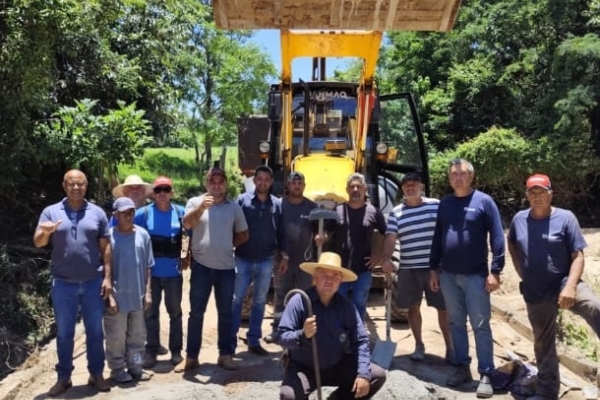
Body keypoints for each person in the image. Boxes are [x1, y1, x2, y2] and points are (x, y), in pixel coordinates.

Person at [508, 174, 600, 400]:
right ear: (527, 195)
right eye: (532, 192)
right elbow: (512, 244)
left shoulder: (566, 218)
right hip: (536, 290)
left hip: (565, 282)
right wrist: (522, 273)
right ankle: (547, 392)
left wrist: (570, 287)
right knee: (543, 342)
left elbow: (578, 257)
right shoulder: (519, 219)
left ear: (551, 194)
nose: (537, 196)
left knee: (595, 307)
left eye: (541, 192)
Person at [429, 158, 505, 398]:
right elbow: (438, 237)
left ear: (471, 176)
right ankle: (462, 367)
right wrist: (433, 269)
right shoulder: (445, 203)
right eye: (454, 174)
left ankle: (486, 373)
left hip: (476, 277)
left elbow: (497, 237)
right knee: (456, 323)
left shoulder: (484, 202)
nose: (458, 178)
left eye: (462, 174)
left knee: (480, 326)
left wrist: (496, 271)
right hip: (448, 276)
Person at [33, 169, 112, 396]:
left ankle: (96, 374)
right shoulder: (50, 212)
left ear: (86, 185)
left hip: (93, 282)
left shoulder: (97, 213)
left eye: (80, 184)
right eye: (71, 184)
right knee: (65, 333)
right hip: (63, 284)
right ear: (64, 186)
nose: (76, 187)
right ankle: (64, 377)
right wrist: (46, 233)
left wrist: (108, 277)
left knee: (95, 332)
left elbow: (106, 247)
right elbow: (38, 242)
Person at [278, 252, 386, 400]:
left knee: (376, 375)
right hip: (304, 368)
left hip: (337, 365)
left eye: (335, 276)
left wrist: (363, 374)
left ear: (341, 280)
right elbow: (282, 336)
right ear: (315, 277)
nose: (329, 280)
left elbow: (361, 341)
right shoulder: (299, 302)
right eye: (324, 275)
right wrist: (302, 335)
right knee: (288, 396)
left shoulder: (347, 307)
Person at [177, 166, 249, 372]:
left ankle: (225, 355)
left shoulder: (234, 208)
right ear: (206, 183)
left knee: (225, 313)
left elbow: (244, 234)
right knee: (196, 313)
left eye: (220, 182)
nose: (216, 186)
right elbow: (187, 224)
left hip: (226, 268)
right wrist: (202, 207)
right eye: (212, 182)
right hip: (201, 267)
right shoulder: (195, 202)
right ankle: (191, 357)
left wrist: (226, 245)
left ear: (225, 184)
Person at [381, 172, 452, 362]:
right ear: (402, 189)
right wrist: (386, 259)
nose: (410, 187)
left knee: (444, 308)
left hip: (435, 269)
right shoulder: (396, 212)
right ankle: (419, 345)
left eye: (414, 184)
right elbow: (390, 237)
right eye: (406, 185)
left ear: (422, 187)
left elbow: (448, 229)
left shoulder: (436, 205)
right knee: (413, 308)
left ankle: (450, 347)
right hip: (409, 268)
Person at [230, 165, 283, 356]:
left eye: (267, 180)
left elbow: (281, 232)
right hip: (242, 258)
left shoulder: (277, 204)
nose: (263, 183)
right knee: (236, 300)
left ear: (271, 182)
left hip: (265, 260)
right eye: (259, 179)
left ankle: (253, 340)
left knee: (259, 302)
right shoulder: (241, 201)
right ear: (254, 181)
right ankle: (230, 341)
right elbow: (231, 225)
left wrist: (283, 255)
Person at [134, 176, 186, 368]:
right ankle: (152, 350)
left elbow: (190, 235)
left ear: (172, 192)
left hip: (174, 274)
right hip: (151, 275)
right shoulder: (143, 214)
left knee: (175, 313)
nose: (162, 193)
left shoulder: (181, 212)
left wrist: (186, 257)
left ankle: (176, 351)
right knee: (150, 314)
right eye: (158, 190)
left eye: (166, 189)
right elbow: (127, 230)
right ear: (153, 194)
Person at [321, 173, 387, 322]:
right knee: (339, 301)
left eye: (359, 186)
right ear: (347, 190)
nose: (355, 190)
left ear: (365, 189)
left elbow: (387, 233)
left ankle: (358, 332)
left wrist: (380, 255)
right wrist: (322, 237)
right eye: (352, 187)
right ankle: (339, 331)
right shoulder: (338, 210)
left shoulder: (373, 212)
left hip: (363, 268)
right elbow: (327, 231)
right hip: (340, 268)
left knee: (359, 302)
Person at [104, 197, 154, 383]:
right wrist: (109, 297)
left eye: (131, 212)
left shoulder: (143, 235)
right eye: (124, 212)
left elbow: (148, 266)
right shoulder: (108, 237)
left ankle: (136, 367)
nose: (128, 215)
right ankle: (117, 369)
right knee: (116, 338)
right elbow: (105, 271)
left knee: (138, 337)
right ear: (115, 215)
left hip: (138, 296)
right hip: (117, 297)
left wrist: (148, 292)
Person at [264, 171, 317, 344]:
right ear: (288, 185)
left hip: (305, 262)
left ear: (304, 186)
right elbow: (272, 231)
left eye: (300, 183)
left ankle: (304, 331)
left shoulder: (312, 207)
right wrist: (280, 255)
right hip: (282, 260)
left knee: (306, 297)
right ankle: (277, 330)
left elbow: (321, 230)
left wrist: (322, 236)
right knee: (281, 295)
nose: (296, 186)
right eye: (293, 183)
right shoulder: (279, 205)